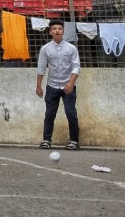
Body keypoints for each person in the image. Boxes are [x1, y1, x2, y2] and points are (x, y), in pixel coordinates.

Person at [36, 19, 81, 150]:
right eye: (54, 29)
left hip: (68, 86)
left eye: (60, 29)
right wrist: (38, 86)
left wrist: (71, 83)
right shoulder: (45, 49)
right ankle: (46, 140)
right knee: (49, 114)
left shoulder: (71, 48)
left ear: (63, 31)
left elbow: (76, 67)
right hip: (52, 86)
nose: (57, 31)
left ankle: (74, 141)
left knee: (71, 113)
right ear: (50, 31)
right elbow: (41, 68)